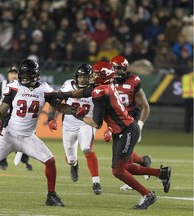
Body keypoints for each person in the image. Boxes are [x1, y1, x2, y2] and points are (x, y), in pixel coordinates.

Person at [0, 59, 79, 206]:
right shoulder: (14, 87)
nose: (23, 77)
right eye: (22, 74)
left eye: (26, 74)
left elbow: (59, 107)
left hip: (28, 137)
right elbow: (1, 111)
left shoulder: (44, 89)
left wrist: (73, 110)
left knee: (50, 162)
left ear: (35, 75)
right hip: (9, 135)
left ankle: (51, 196)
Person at [56, 61, 171, 210]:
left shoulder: (100, 91)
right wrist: (64, 94)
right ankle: (161, 173)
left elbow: (97, 123)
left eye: (95, 74)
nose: (92, 76)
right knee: (126, 167)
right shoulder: (103, 87)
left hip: (126, 130)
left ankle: (148, 195)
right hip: (123, 130)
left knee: (118, 170)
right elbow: (84, 92)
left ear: (102, 76)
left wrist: (79, 116)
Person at [47, 63, 102, 195]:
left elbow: (105, 109)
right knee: (70, 159)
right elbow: (56, 99)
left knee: (87, 149)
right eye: (80, 76)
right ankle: (74, 165)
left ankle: (96, 182)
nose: (82, 79)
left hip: (86, 124)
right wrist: (51, 118)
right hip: (69, 125)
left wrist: (109, 128)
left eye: (85, 77)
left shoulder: (96, 89)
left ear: (90, 77)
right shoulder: (68, 85)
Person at [104, 55, 152, 191]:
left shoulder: (133, 81)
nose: (117, 71)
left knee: (124, 151)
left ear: (126, 69)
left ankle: (130, 177)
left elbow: (145, 106)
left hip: (130, 119)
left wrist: (140, 126)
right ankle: (143, 161)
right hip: (116, 119)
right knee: (123, 149)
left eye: (120, 69)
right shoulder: (106, 81)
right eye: (114, 68)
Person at [0, 66, 33, 171]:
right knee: (4, 139)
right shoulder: (3, 84)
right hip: (4, 116)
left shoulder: (23, 86)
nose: (14, 75)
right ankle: (2, 161)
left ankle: (24, 159)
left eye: (15, 73)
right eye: (11, 73)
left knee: (22, 138)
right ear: (8, 74)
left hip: (18, 117)